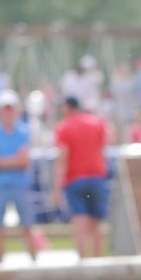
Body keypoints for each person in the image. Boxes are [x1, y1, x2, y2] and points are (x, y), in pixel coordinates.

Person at [0, 91, 43, 262]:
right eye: (5, 109)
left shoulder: (23, 131)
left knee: (27, 225)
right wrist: (13, 161)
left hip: (19, 184)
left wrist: (2, 162)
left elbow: (23, 160)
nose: (8, 113)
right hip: (1, 184)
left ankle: (34, 262)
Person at [53, 94, 112, 258]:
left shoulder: (64, 127)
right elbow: (104, 146)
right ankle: (98, 258)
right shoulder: (97, 123)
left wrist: (56, 188)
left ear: (67, 107)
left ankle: (82, 260)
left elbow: (62, 158)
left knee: (79, 220)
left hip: (75, 178)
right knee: (96, 222)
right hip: (97, 176)